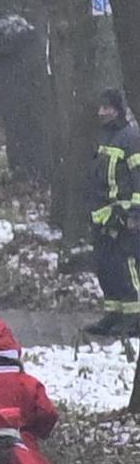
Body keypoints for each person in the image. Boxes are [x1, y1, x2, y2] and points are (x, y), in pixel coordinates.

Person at [86, 87, 140, 337]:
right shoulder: (105, 136)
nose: (101, 112)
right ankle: (114, 312)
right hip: (103, 214)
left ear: (118, 109)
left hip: (123, 214)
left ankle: (134, 316)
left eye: (106, 108)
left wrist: (134, 214)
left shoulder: (131, 137)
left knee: (125, 265)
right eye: (100, 107)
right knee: (106, 267)